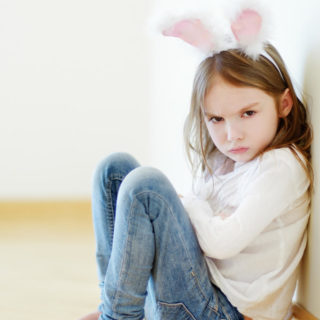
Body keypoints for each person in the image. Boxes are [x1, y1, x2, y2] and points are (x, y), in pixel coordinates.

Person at [79, 3, 313, 320]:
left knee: (146, 187)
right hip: (196, 292)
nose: (232, 134)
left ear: (283, 103)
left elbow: (220, 243)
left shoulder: (281, 167)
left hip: (225, 311)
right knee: (114, 170)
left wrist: (187, 203)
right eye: (217, 119)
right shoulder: (224, 159)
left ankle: (117, 316)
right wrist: (185, 206)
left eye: (248, 113)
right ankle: (115, 301)